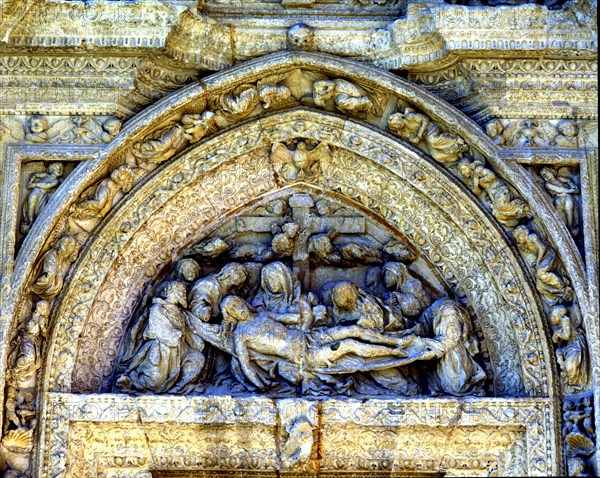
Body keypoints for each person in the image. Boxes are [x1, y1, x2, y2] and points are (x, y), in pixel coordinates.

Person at [115, 281, 187, 393]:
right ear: (171, 291)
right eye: (180, 290)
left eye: (184, 291)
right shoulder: (157, 308)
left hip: (178, 350)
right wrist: (177, 334)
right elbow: (159, 329)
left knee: (197, 360)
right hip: (160, 348)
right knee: (155, 382)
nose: (183, 293)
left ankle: (182, 386)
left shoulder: (179, 312)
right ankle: (130, 380)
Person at [416, 299, 486, 396]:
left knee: (456, 385)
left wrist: (430, 350)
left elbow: (451, 338)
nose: (449, 321)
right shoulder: (435, 314)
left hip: (452, 356)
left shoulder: (449, 311)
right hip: (442, 356)